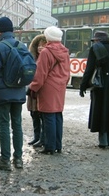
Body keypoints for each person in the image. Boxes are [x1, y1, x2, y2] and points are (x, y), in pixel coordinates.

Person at [0, 17, 33, 170]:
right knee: (17, 124)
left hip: (3, 94)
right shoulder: (22, 46)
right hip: (18, 91)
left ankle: (5, 160)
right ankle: (18, 159)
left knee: (4, 125)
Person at [28, 26, 70, 155]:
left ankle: (49, 147)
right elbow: (68, 73)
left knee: (48, 116)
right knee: (58, 115)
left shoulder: (46, 52)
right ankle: (58, 145)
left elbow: (40, 74)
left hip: (48, 87)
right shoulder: (65, 51)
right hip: (60, 87)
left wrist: (32, 87)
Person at [79, 31, 109, 149]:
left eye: (95, 40)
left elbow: (90, 69)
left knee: (102, 110)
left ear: (99, 40)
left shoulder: (95, 49)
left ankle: (103, 141)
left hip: (101, 83)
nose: (94, 42)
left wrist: (83, 86)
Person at [27, 34, 47, 147]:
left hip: (40, 90)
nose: (40, 47)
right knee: (33, 113)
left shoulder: (45, 58)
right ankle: (37, 136)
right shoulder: (32, 58)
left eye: (43, 45)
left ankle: (42, 138)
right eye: (39, 45)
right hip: (32, 90)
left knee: (42, 115)